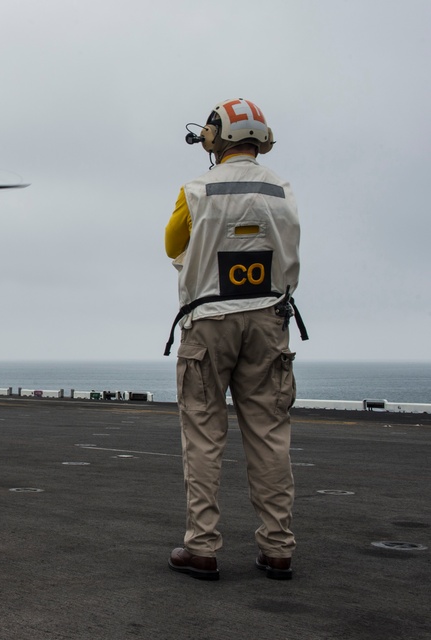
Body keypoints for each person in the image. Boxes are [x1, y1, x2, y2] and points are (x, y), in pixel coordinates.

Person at [164, 99, 307, 581]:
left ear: (218, 135)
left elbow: (172, 244)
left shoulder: (196, 189)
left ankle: (202, 547)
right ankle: (278, 548)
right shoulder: (282, 189)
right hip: (269, 320)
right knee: (270, 436)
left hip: (209, 323)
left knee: (204, 437)